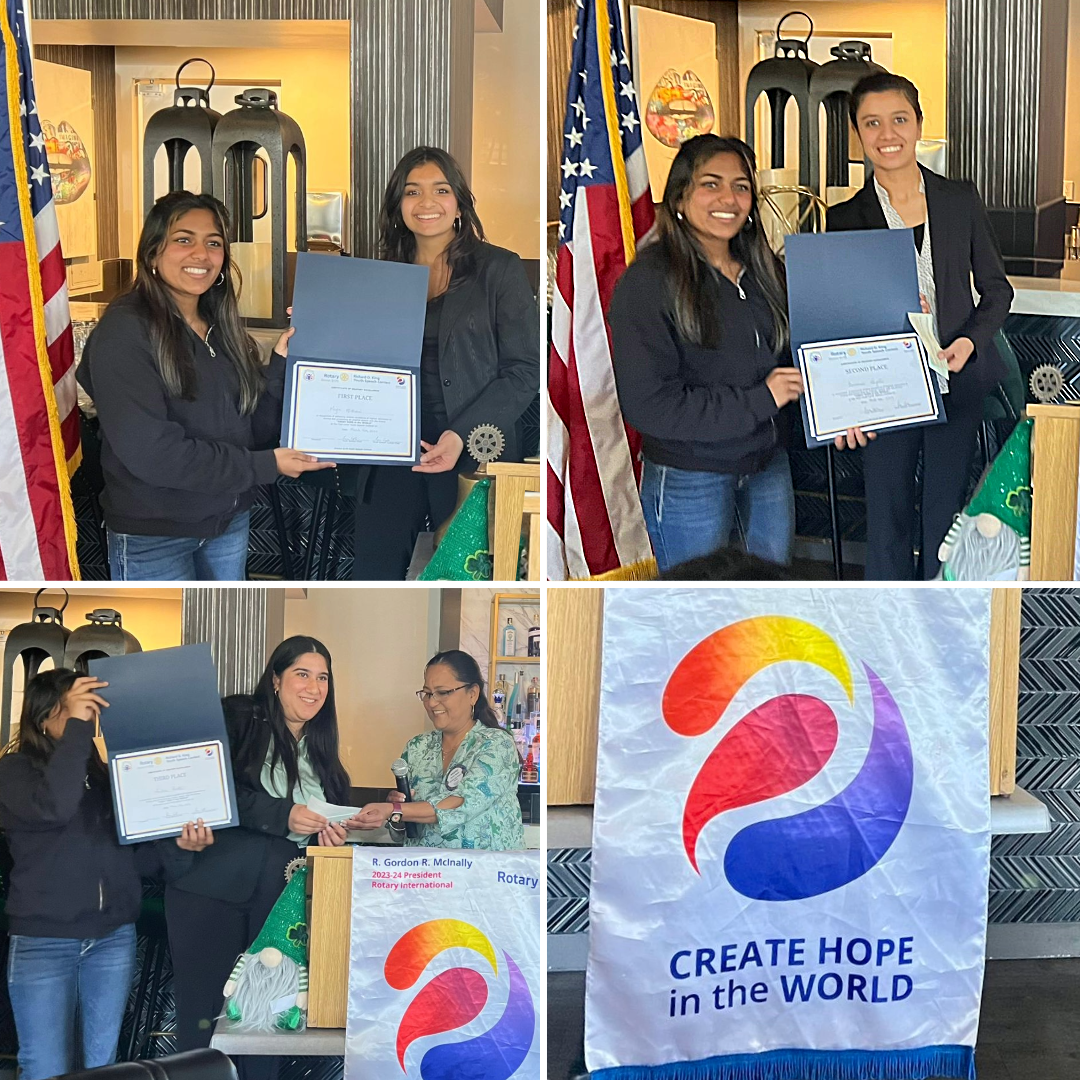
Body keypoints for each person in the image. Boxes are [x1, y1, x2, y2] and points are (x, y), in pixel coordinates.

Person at [77, 190, 333, 582]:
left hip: (227, 522)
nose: (201, 254)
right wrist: (266, 465)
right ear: (152, 254)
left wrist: (284, 365)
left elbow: (252, 429)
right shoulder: (124, 333)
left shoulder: (221, 328)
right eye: (184, 240)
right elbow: (153, 454)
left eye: (213, 243)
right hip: (156, 534)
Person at [827, 72, 1013, 580]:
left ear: (918, 124)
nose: (887, 133)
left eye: (899, 119)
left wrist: (969, 343)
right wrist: (842, 400)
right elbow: (838, 320)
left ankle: (938, 619)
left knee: (945, 514)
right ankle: (886, 630)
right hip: (883, 388)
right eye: (872, 123)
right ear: (858, 134)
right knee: (885, 518)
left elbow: (998, 291)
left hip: (958, 377)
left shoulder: (959, 200)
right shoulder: (843, 218)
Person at [0, 670, 211, 1080]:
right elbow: (54, 807)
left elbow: (136, 862)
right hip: (44, 941)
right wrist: (79, 731)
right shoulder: (14, 771)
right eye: (77, 708)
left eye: (91, 710)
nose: (89, 718)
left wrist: (180, 848)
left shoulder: (104, 778)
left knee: (103, 1067)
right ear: (44, 716)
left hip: (111, 940)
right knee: (44, 1067)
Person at [607, 134, 802, 573]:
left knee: (764, 617)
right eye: (710, 184)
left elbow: (806, 352)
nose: (728, 199)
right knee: (693, 617)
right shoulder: (648, 283)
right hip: (690, 478)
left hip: (768, 469)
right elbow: (649, 405)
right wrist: (760, 400)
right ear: (680, 196)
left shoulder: (768, 271)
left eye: (741, 186)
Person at [163, 636, 355, 1078]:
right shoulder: (238, 716)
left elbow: (327, 823)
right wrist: (283, 813)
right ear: (275, 679)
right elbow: (210, 790)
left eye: (323, 677)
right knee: (206, 1016)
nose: (314, 687)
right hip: (211, 889)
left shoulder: (323, 749)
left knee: (272, 1013)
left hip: (283, 903)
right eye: (302, 674)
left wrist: (334, 833)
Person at [352, 147, 541, 579]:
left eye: (440, 189)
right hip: (390, 451)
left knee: (465, 574)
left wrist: (460, 434)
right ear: (398, 205)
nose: (427, 202)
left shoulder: (500, 269)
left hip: (471, 451)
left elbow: (525, 369)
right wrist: (318, 327)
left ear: (458, 202)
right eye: (412, 191)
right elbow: (358, 361)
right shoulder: (378, 276)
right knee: (374, 574)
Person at [354, 650, 524, 849]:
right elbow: (405, 833)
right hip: (427, 875)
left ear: (473, 694)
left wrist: (395, 809)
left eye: (442, 692)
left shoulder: (496, 744)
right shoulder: (417, 747)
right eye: (427, 694)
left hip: (486, 874)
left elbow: (462, 803)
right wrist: (398, 814)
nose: (432, 702)